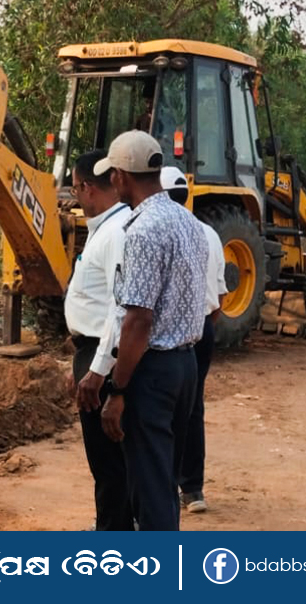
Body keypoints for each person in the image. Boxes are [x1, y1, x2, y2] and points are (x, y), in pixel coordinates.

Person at [96, 130, 208, 532]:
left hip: (153, 372)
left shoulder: (142, 231)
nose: (111, 181)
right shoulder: (187, 222)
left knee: (151, 489)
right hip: (186, 367)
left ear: (121, 177)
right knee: (165, 476)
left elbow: (139, 320)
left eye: (111, 174)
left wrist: (119, 389)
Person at [63, 151, 134, 531]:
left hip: (103, 357)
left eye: (75, 188)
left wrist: (96, 369)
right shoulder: (104, 229)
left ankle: (114, 538)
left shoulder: (116, 233)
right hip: (92, 352)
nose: (75, 197)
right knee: (107, 461)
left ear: (88, 188)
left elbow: (119, 309)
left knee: (109, 462)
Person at [160, 166, 227, 515]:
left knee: (157, 411)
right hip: (201, 329)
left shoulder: (152, 231)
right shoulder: (209, 235)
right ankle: (193, 489)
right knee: (192, 407)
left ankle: (162, 489)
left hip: (162, 334)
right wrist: (200, 326)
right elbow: (220, 296)